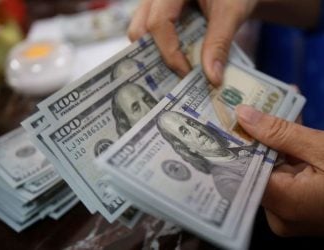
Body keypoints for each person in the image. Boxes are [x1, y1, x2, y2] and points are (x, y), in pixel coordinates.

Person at [128, 0, 324, 237]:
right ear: (184, 148)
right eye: (186, 132)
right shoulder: (224, 177)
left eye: (189, 124)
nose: (197, 129)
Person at [157, 110, 255, 203]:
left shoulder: (242, 150)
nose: (198, 132)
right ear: (187, 147)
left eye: (191, 123)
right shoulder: (227, 182)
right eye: (185, 132)